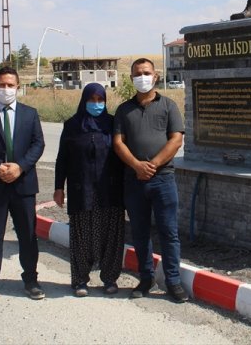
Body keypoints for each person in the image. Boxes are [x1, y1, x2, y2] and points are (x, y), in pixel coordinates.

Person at [112, 58, 189, 303]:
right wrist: (137, 166)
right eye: (137, 74)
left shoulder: (168, 106)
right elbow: (118, 143)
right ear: (132, 78)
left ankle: (173, 281)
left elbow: (176, 140)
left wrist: (153, 165)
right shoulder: (124, 110)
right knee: (140, 232)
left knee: (169, 232)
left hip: (163, 179)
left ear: (155, 76)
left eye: (146, 72)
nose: (142, 77)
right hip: (134, 181)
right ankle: (146, 278)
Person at [0, 66, 46, 306]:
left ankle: (31, 280)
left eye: (10, 85)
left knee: (27, 235)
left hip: (23, 185)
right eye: (1, 85)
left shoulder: (30, 114)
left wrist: (20, 167)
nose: (6, 89)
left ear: (18, 88)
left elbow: (38, 144)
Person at [53, 82, 125, 297]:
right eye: (92, 100)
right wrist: (59, 187)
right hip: (81, 189)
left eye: (100, 100)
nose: (96, 104)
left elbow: (122, 158)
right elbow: (62, 159)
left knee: (111, 235)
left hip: (110, 190)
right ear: (84, 100)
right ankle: (80, 280)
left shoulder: (113, 124)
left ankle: (110, 278)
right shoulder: (72, 125)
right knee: (81, 235)